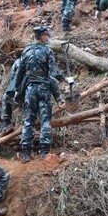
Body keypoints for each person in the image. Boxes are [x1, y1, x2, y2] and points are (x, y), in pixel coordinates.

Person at [18, 26, 68, 162]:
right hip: (44, 90)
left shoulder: (26, 51)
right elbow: (54, 73)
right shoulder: (47, 51)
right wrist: (65, 79)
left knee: (29, 120)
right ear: (41, 36)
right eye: (47, 35)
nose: (48, 38)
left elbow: (19, 73)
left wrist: (17, 90)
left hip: (29, 90)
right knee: (45, 120)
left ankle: (26, 153)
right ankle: (44, 152)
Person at [0, 58, 23, 136]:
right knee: (6, 97)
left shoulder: (18, 61)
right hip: (29, 88)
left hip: (21, 88)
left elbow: (13, 76)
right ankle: (6, 123)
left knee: (5, 98)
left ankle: (6, 122)